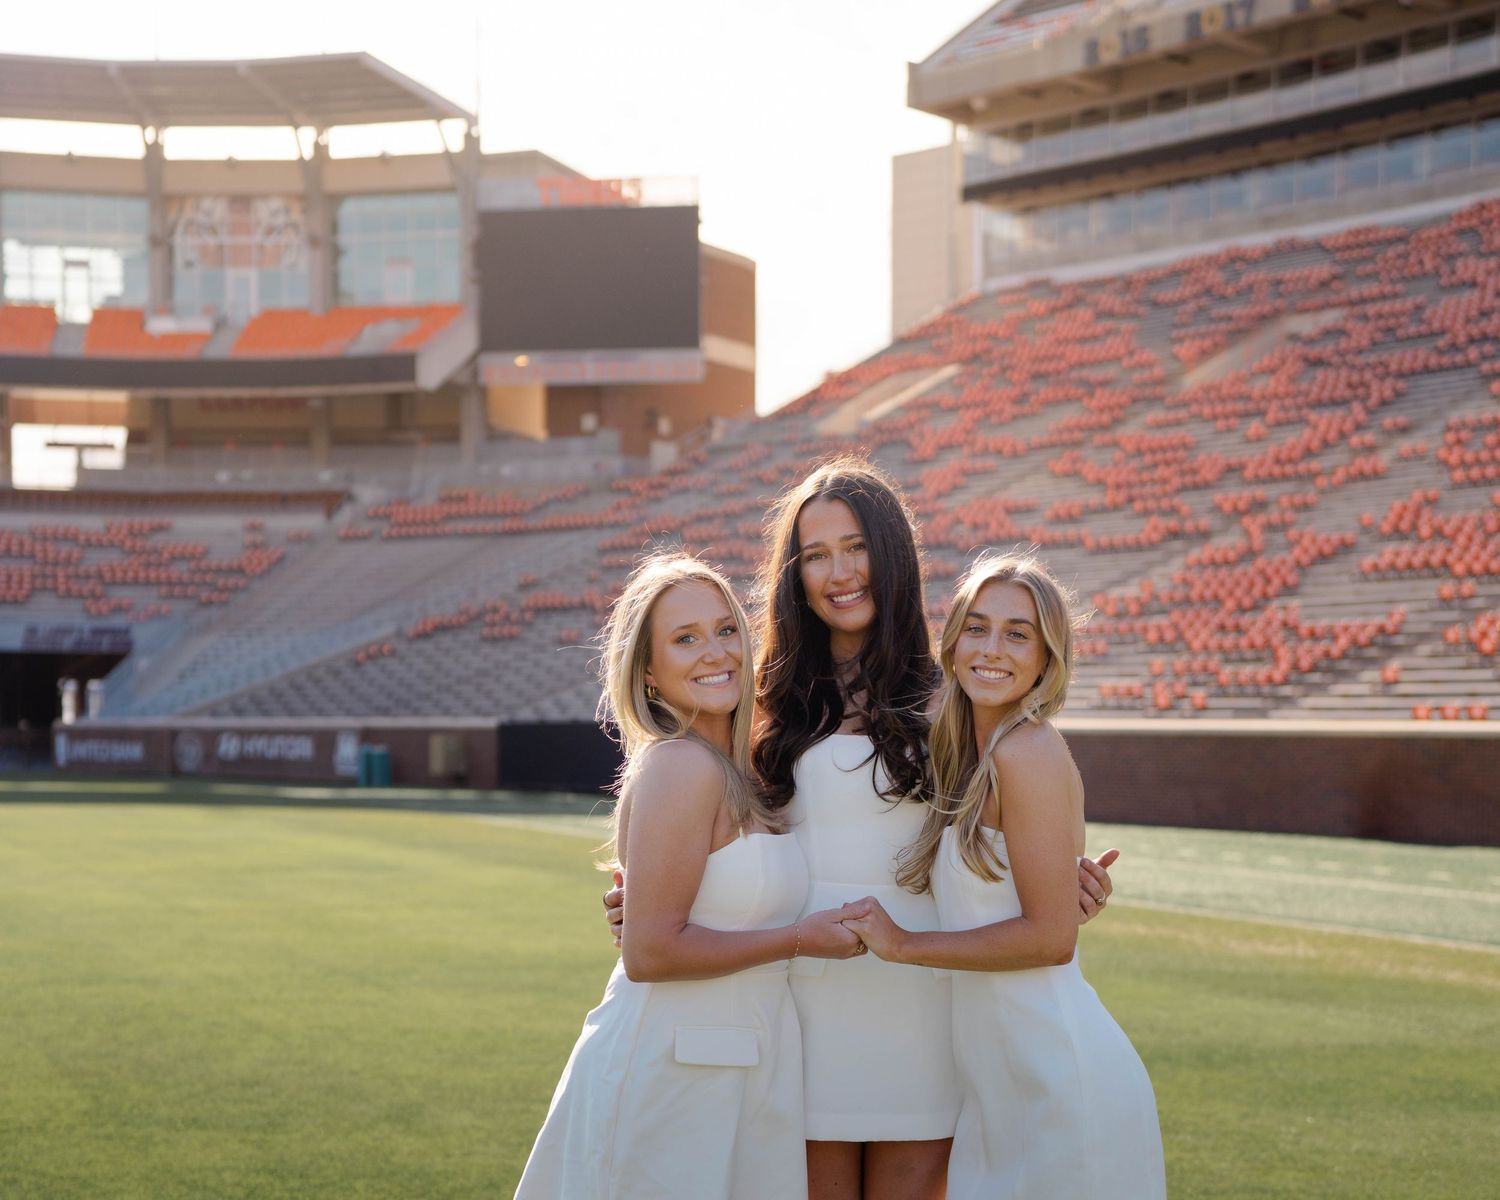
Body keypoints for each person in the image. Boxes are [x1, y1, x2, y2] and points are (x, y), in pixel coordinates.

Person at [604, 459, 1115, 1200]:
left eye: (856, 547)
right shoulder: (761, 700)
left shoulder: (956, 696)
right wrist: (645, 905)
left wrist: (1068, 889)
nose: (839, 572)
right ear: (795, 573)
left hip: (924, 992)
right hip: (798, 999)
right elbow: (698, 830)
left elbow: (1010, 836)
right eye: (815, 554)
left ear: (892, 554)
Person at [515, 554, 867, 1200]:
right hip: (671, 1072)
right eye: (685, 639)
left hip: (741, 1068)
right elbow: (649, 952)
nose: (715, 652)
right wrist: (801, 938)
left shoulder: (742, 769)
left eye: (725, 629)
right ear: (648, 672)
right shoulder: (680, 767)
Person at [843, 551, 1166, 1200]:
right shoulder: (970, 748)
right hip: (997, 1088)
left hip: (1056, 1078)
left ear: (1047, 658)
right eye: (978, 627)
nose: (993, 649)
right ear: (953, 642)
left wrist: (903, 946)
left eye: (1019, 634)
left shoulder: (1030, 752)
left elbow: (1051, 940)